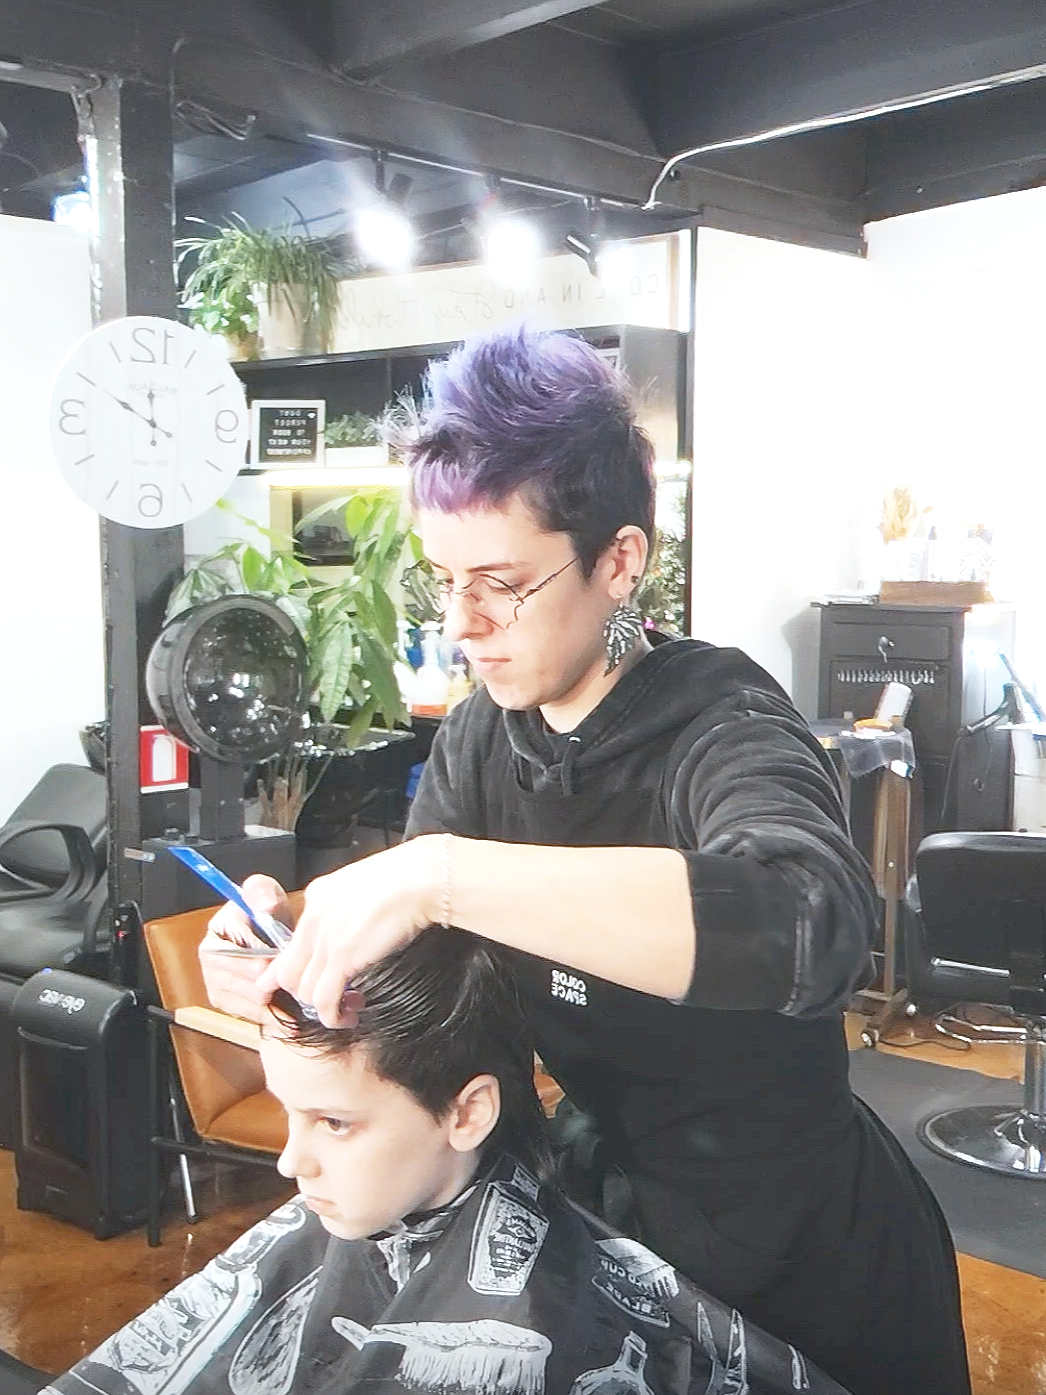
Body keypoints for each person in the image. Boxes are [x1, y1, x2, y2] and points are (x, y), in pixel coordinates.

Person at [201, 327, 971, 1395]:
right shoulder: (482, 738)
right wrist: (295, 940)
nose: (460, 623)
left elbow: (808, 923)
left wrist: (439, 876)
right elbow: (443, 982)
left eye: (501, 583)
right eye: (443, 580)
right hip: (597, 1219)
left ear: (619, 562)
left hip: (796, 1248)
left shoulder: (722, 720)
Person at [45, 927, 850, 1395]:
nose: (291, 1162)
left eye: (334, 1122)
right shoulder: (350, 1210)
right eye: (290, 1111)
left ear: (467, 1113)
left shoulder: (540, 1325)